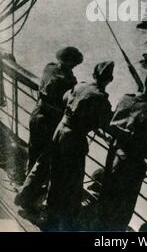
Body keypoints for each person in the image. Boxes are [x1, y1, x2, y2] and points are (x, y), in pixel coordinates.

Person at [46, 61, 114, 231]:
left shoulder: (81, 86)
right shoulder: (100, 97)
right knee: (73, 182)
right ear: (110, 79)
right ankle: (68, 224)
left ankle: (50, 218)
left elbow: (64, 99)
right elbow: (107, 124)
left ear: (93, 75)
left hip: (60, 130)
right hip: (74, 139)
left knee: (56, 175)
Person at [15, 47, 83, 211]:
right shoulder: (69, 81)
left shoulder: (49, 67)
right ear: (71, 63)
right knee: (44, 160)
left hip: (37, 114)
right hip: (50, 121)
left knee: (33, 152)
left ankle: (25, 186)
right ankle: (28, 197)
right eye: (73, 64)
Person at [97, 75, 147, 231]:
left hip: (114, 152)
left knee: (107, 196)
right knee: (122, 208)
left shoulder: (126, 99)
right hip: (130, 164)